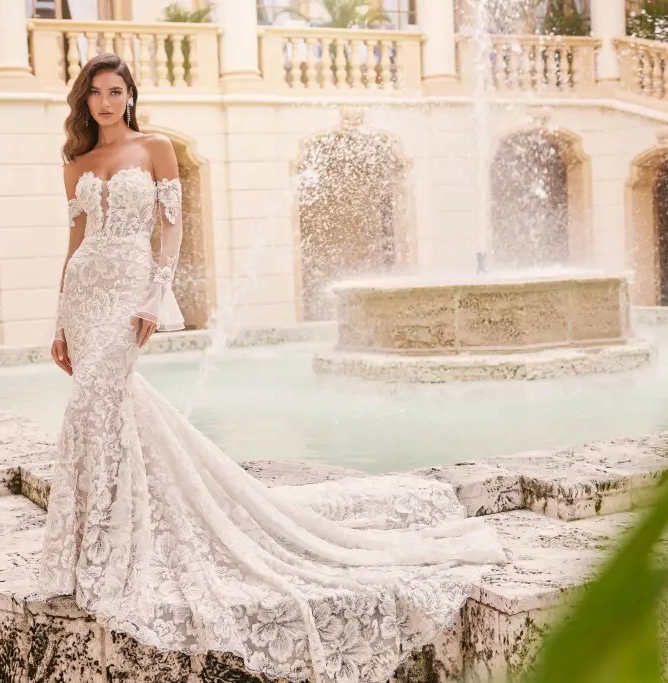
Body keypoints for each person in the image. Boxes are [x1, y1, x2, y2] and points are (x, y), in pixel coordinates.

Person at [41, 52, 505, 683]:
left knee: (100, 399)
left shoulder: (156, 149)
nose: (104, 102)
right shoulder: (76, 162)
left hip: (128, 286)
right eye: (94, 92)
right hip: (86, 290)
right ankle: (95, 543)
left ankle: (109, 541)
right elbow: (75, 242)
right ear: (83, 99)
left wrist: (158, 289)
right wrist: (60, 320)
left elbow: (170, 228)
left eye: (115, 90)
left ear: (130, 94)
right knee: (101, 406)